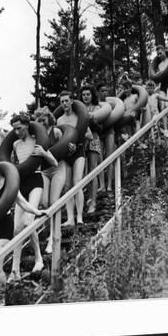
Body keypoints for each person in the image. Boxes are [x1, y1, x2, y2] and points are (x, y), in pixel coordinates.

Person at [0, 155, 46, 305]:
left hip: (4, 226)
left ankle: (1, 299)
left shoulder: (9, 184)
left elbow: (22, 202)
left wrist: (36, 212)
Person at [9, 112, 56, 282]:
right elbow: (16, 165)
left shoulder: (37, 139)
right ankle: (15, 269)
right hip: (21, 183)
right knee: (16, 229)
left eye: (19, 128)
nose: (17, 132)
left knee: (29, 221)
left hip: (36, 181)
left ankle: (39, 259)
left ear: (27, 126)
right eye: (14, 129)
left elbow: (54, 163)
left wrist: (44, 153)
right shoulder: (14, 144)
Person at [34, 107, 67, 253]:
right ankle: (49, 233)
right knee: (44, 203)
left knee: (54, 202)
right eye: (38, 120)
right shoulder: (37, 136)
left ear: (49, 118)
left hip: (58, 168)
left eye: (43, 119)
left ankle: (54, 238)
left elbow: (64, 148)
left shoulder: (56, 131)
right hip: (44, 170)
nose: (41, 122)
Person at [56, 90, 91, 226]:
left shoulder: (79, 117)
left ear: (71, 101)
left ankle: (80, 217)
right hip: (66, 154)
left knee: (77, 182)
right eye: (62, 102)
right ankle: (70, 218)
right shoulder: (59, 120)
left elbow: (89, 135)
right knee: (67, 185)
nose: (64, 103)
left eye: (66, 101)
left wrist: (77, 140)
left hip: (79, 151)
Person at [80, 84, 102, 214]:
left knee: (93, 170)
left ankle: (93, 202)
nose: (86, 97)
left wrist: (92, 121)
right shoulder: (79, 108)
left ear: (92, 95)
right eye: (83, 95)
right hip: (82, 141)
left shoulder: (98, 108)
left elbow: (101, 127)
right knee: (84, 172)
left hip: (93, 138)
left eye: (88, 94)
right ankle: (88, 198)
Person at [96, 83, 115, 193]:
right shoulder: (96, 105)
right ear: (98, 92)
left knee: (110, 158)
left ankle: (109, 185)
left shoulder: (111, 104)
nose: (105, 93)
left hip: (109, 132)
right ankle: (102, 185)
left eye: (106, 91)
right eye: (102, 91)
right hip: (99, 132)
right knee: (100, 159)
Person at [154, 45, 168, 135]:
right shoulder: (159, 65)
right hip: (163, 84)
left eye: (160, 53)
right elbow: (158, 77)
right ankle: (166, 130)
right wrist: (158, 74)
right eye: (158, 54)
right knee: (162, 107)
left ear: (164, 51)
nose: (159, 55)